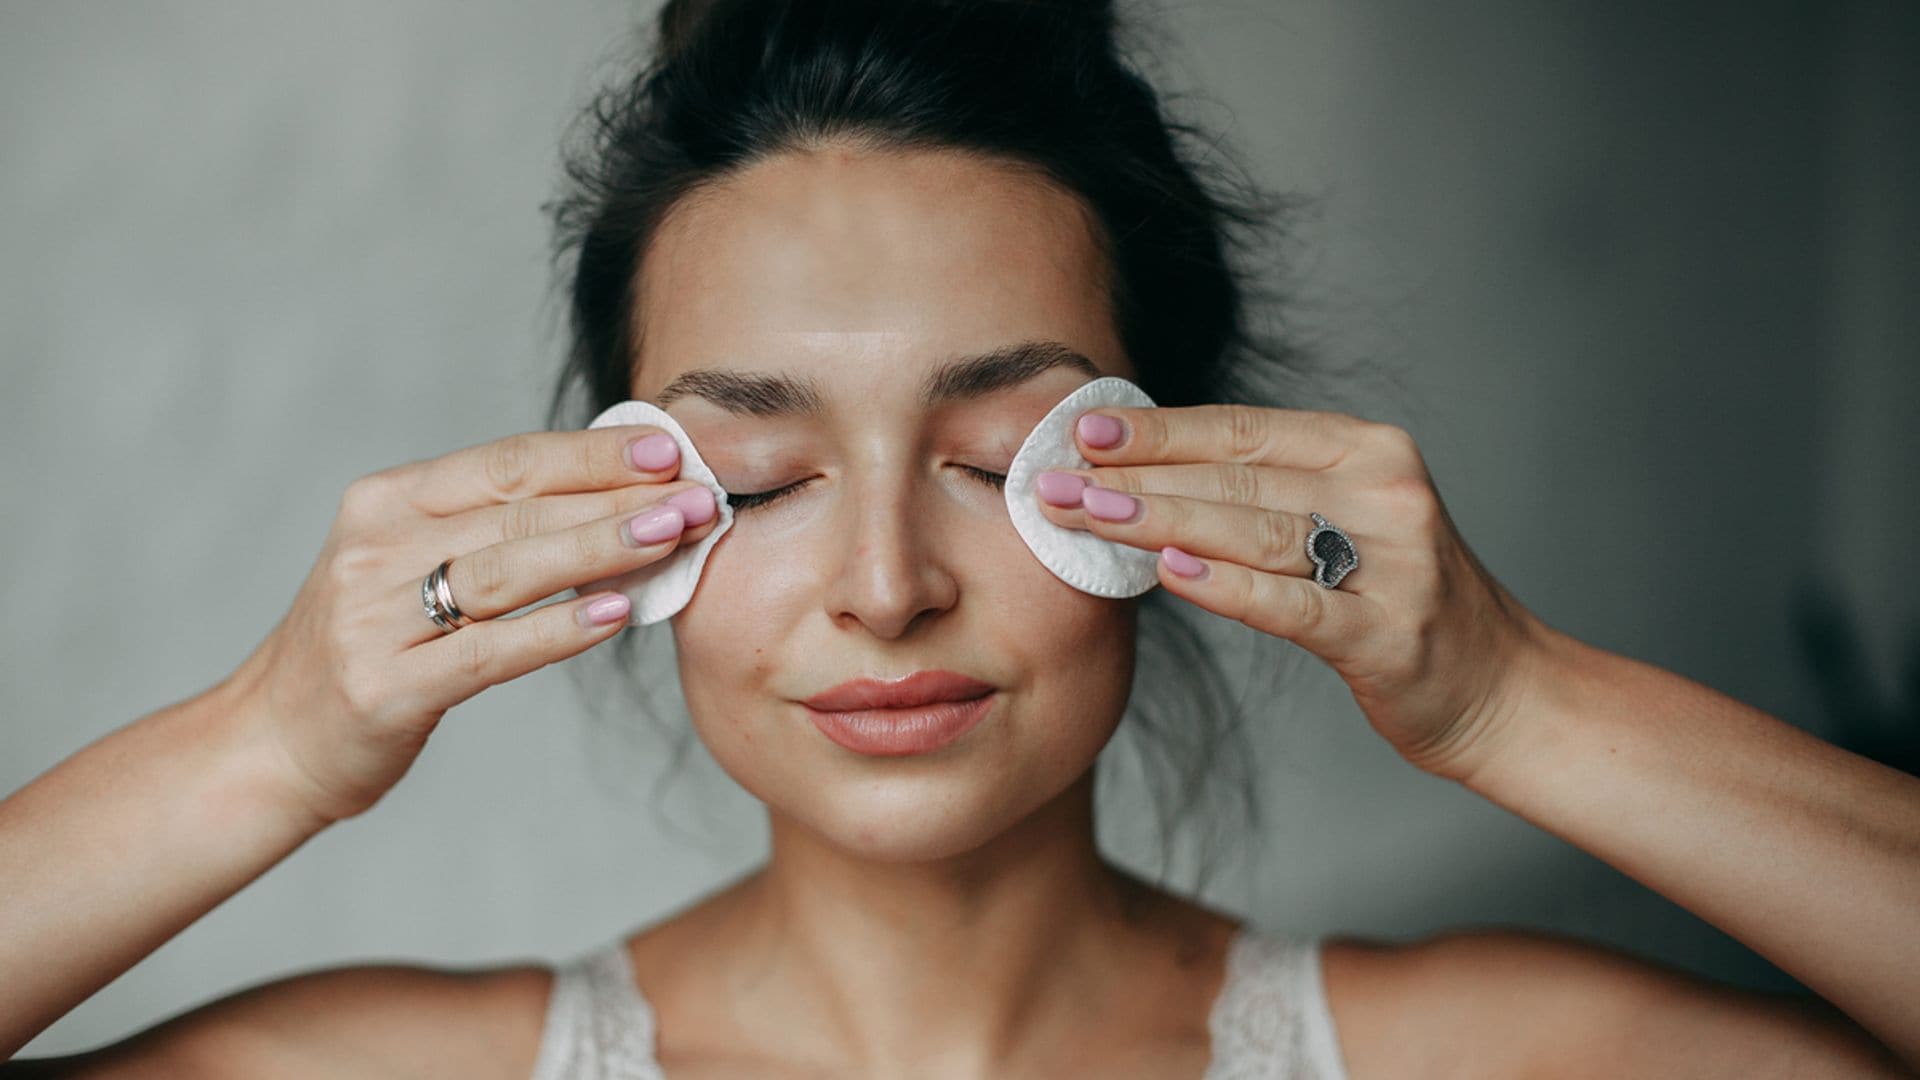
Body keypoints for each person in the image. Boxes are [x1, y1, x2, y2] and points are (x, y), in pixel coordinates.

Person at [4, 0, 1917, 1076]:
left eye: (1003, 451)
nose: (887, 584)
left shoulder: (1482, 1058)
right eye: (756, 478)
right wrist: (269, 738)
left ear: (1181, 476)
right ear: (619, 518)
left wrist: (1515, 701)